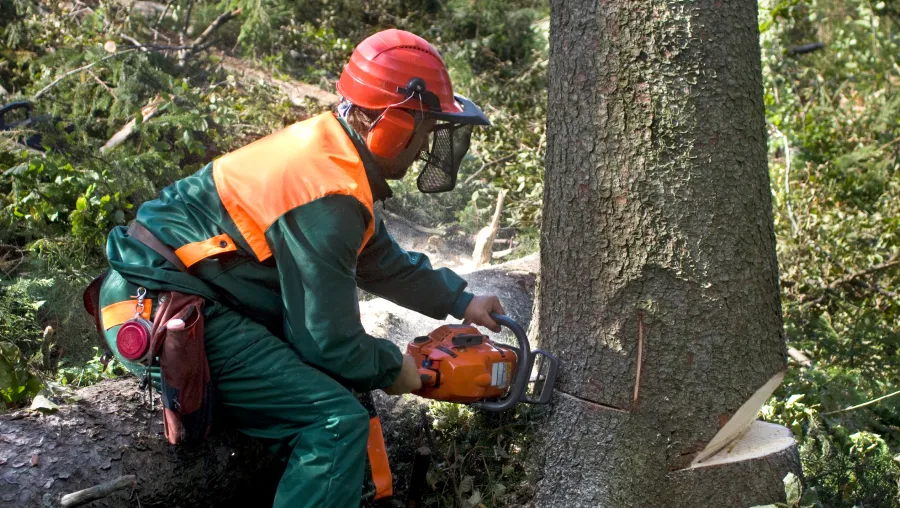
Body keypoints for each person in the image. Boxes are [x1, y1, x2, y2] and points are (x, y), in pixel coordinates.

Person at [93, 28, 504, 507]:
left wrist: (461, 300)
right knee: (333, 422)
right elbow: (327, 342)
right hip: (164, 307)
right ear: (393, 124)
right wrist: (397, 369)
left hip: (183, 292)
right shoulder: (328, 193)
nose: (425, 148)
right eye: (425, 130)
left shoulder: (333, 158)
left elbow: (379, 261)